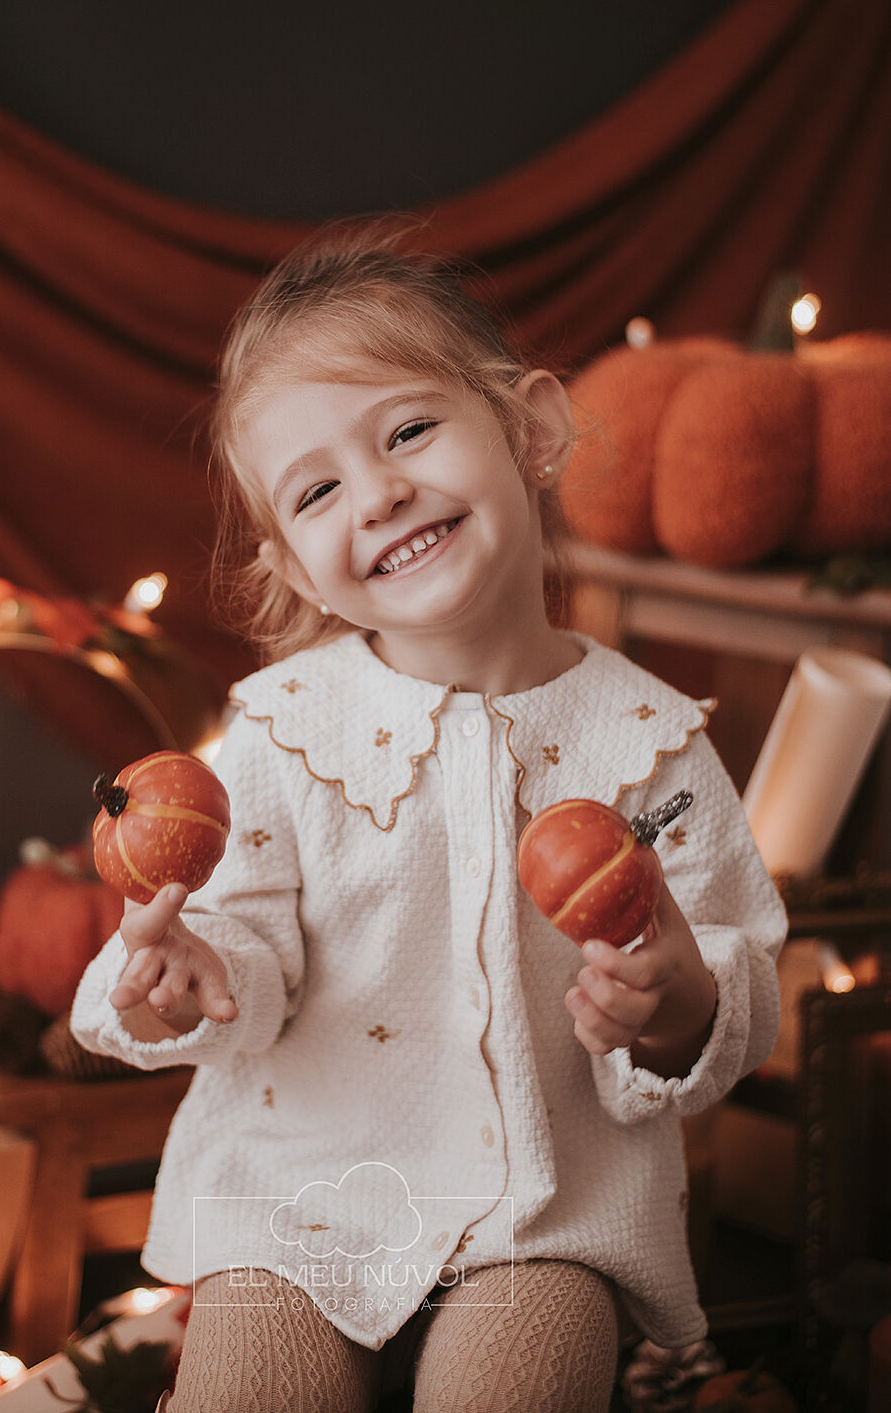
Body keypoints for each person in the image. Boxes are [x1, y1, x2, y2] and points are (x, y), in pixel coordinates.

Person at [71, 223, 786, 1412]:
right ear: (297, 571)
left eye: (409, 430)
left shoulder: (651, 743)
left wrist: (680, 1002)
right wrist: (198, 969)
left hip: (544, 1213)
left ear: (531, 431)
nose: (382, 488)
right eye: (319, 489)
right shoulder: (284, 732)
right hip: (295, 1200)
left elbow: (733, 952)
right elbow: (250, 939)